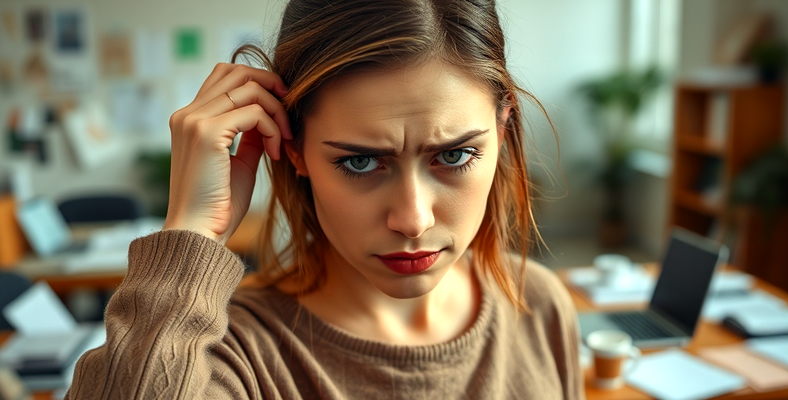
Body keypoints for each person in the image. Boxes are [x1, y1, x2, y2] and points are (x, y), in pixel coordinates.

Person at [66, 0, 584, 398]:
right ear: (294, 150)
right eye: (359, 162)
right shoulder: (228, 355)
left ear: (502, 125)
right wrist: (192, 228)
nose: (412, 219)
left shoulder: (539, 306)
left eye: (454, 156)